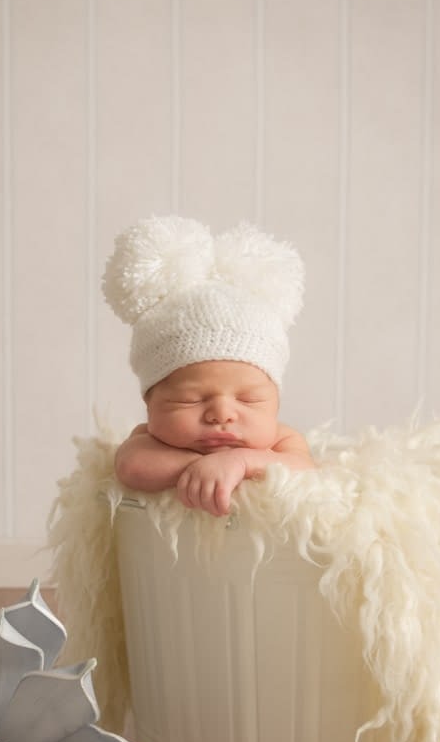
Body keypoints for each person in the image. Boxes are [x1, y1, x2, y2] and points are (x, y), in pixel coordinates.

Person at [103, 215, 316, 518]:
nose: (222, 414)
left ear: (276, 401)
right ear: (149, 402)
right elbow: (131, 466)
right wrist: (203, 469)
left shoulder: (282, 440)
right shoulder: (147, 440)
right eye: (190, 399)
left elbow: (305, 470)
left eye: (249, 399)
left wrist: (241, 463)